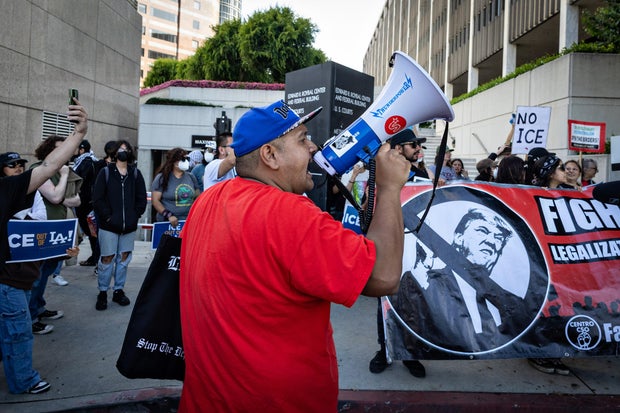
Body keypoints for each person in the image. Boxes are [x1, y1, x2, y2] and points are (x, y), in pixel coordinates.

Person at [179, 100, 410, 412]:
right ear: (270, 155)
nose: (314, 147)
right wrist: (389, 187)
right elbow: (384, 277)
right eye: (302, 139)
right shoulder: (289, 213)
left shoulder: (207, 201)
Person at [0, 99, 87, 395]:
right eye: (13, 165)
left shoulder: (13, 189)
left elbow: (50, 165)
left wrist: (79, 133)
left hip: (21, 278)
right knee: (18, 333)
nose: (20, 169)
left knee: (14, 331)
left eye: (21, 165)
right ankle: (23, 380)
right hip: (7, 282)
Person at [396, 207, 534, 353]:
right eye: (483, 231)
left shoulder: (510, 300)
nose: (491, 241)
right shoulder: (425, 281)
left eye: (498, 238)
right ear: (459, 238)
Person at [367, 128, 426, 378]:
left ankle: (409, 353)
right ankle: (386, 349)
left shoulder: (423, 175)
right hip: (390, 249)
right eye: (413, 145)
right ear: (398, 148)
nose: (418, 149)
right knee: (386, 303)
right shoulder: (382, 174)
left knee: (414, 304)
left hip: (416, 251)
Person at [28, 135, 82, 334]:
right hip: (42, 231)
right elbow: (57, 196)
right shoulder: (38, 169)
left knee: (47, 272)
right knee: (36, 275)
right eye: (60, 149)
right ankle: (31, 316)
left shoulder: (59, 171)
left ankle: (39, 307)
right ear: (48, 150)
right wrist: (65, 176)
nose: (64, 154)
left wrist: (63, 193)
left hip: (59, 230)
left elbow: (76, 200)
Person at [92, 140, 147, 311]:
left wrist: (134, 216)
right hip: (109, 226)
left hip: (128, 227)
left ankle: (118, 290)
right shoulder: (106, 172)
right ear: (115, 153)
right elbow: (98, 198)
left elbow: (141, 199)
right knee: (107, 259)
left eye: (127, 149)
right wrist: (107, 217)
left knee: (123, 259)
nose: (124, 151)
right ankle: (102, 292)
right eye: (121, 149)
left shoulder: (135, 174)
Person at [151, 147, 200, 228]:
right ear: (174, 162)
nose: (186, 161)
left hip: (187, 222)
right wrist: (169, 215)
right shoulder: (162, 178)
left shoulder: (191, 177)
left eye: (187, 158)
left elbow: (198, 198)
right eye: (183, 159)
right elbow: (155, 201)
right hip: (167, 222)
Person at [72, 139, 99, 267]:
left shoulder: (85, 163)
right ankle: (95, 256)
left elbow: (80, 183)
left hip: (85, 203)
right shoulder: (91, 161)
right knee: (91, 231)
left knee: (91, 231)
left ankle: (95, 257)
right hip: (88, 202)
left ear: (81, 150)